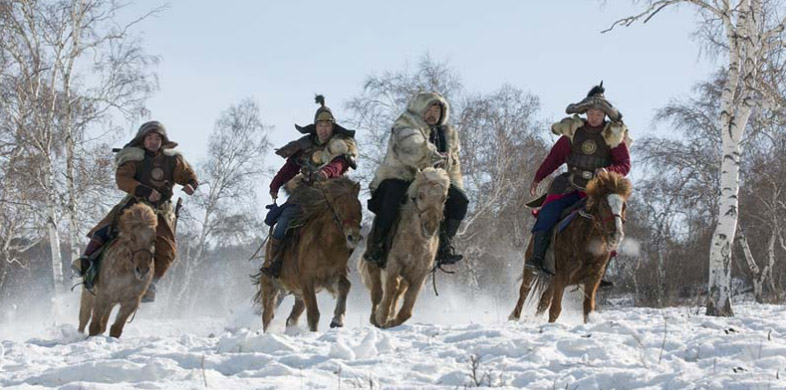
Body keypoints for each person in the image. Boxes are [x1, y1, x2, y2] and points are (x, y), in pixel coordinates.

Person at [71, 121, 199, 302]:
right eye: (150, 138)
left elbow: (187, 175)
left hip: (160, 212)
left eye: (157, 138)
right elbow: (122, 179)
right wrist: (144, 191)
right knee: (107, 228)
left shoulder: (172, 160)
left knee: (168, 249)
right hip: (135, 205)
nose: (154, 141)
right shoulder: (134, 158)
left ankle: (151, 283)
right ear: (143, 140)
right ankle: (85, 261)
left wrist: (191, 184)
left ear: (162, 141)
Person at [527, 82, 631, 275]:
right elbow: (554, 158)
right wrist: (538, 178)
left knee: (611, 221)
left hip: (597, 192)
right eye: (591, 113)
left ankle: (601, 270)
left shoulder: (613, 136)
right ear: (586, 113)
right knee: (547, 213)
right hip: (569, 186)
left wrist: (608, 171)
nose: (594, 117)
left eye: (598, 114)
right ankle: (537, 258)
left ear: (605, 116)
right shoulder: (574, 132)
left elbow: (625, 165)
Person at [364, 91, 468, 267]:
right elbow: (412, 147)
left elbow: (454, 165)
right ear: (420, 108)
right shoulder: (405, 124)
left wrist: (451, 176)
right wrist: (433, 155)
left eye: (438, 110)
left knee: (460, 201)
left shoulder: (448, 134)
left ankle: (444, 244)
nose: (433, 113)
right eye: (430, 108)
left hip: (435, 181)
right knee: (393, 195)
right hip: (403, 175)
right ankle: (377, 244)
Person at [260, 95, 358, 278]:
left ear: (333, 127)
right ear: (315, 127)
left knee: (349, 222)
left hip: (330, 195)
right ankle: (275, 263)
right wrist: (275, 184)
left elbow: (339, 165)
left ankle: (341, 266)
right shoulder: (305, 146)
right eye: (320, 125)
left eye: (327, 125)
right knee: (283, 222)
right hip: (305, 194)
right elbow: (290, 168)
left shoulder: (341, 146)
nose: (323, 129)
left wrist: (325, 173)